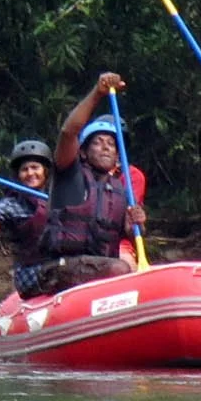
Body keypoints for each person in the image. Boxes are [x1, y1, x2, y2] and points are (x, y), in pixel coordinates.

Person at [30, 71, 148, 294]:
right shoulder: (70, 173)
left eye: (111, 144)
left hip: (100, 270)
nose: (105, 147)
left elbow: (129, 234)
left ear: (117, 156)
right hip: (61, 268)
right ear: (83, 152)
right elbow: (68, 132)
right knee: (120, 269)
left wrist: (137, 224)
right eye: (98, 143)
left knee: (122, 269)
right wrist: (98, 92)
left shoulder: (122, 190)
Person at [0, 139, 53, 298]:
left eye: (35, 167)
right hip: (32, 273)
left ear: (45, 171)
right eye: (24, 169)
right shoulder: (12, 204)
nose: (30, 173)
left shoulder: (60, 197)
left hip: (60, 266)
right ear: (18, 175)